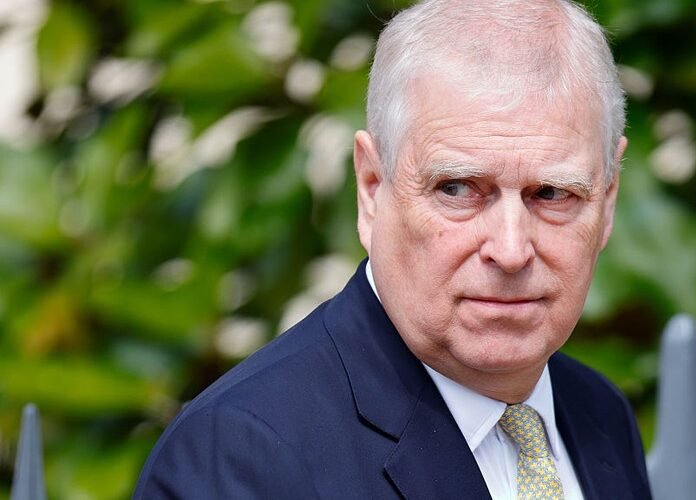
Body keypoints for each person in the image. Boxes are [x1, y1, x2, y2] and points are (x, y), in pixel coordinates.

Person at [134, 0, 652, 498]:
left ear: (607, 201)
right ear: (371, 188)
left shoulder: (597, 413)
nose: (511, 250)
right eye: (457, 189)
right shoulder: (241, 457)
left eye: (553, 194)